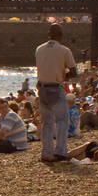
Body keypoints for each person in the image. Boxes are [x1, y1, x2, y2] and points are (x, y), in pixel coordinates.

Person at [36, 23, 77, 163]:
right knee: (62, 120)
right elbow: (73, 71)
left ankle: (46, 152)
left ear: (49, 34)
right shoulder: (65, 51)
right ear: (60, 35)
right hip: (56, 87)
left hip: (42, 88)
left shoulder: (39, 49)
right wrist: (63, 74)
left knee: (47, 122)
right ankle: (60, 151)